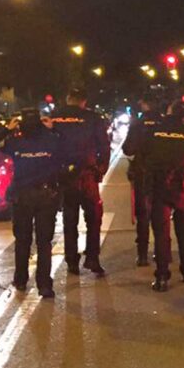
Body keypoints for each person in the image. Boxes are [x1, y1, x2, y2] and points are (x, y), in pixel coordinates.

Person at [140, 101, 184, 292]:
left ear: (168, 112)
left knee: (161, 234)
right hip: (181, 187)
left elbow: (140, 154)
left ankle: (161, 277)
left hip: (157, 187)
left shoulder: (153, 131)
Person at [4, 108, 66, 299]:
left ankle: (21, 279)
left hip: (22, 197)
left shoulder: (14, 142)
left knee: (22, 240)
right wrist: (53, 129)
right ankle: (44, 285)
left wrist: (7, 130)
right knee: (44, 242)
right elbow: (65, 152)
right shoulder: (52, 140)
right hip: (46, 195)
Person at [50, 88, 110, 276]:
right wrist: (101, 169)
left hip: (64, 176)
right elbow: (104, 146)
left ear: (68, 99)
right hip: (87, 175)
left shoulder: (54, 117)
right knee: (93, 217)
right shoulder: (93, 118)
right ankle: (92, 258)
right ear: (83, 101)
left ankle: (71, 261)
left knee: (69, 219)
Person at [122, 95, 160, 266]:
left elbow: (128, 149)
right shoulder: (164, 123)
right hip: (161, 172)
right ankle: (162, 251)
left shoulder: (137, 124)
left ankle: (143, 254)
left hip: (142, 172)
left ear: (145, 104)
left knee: (143, 214)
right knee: (161, 214)